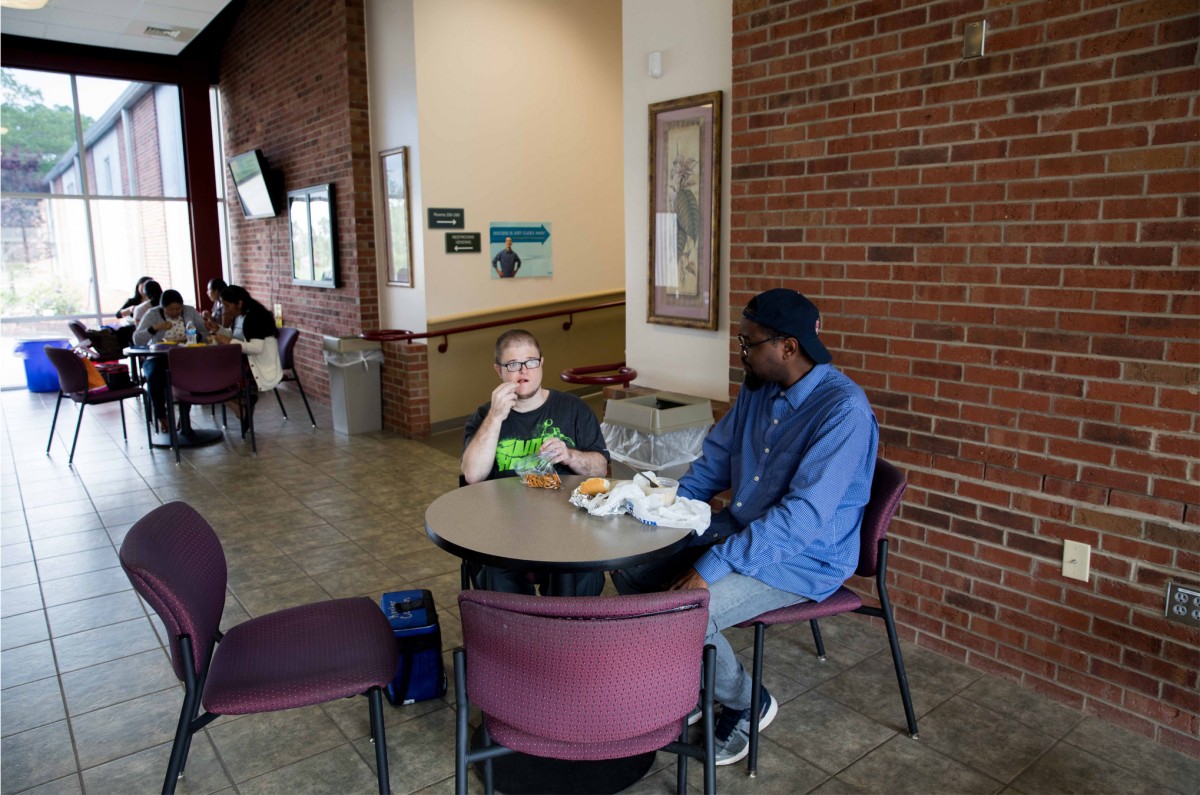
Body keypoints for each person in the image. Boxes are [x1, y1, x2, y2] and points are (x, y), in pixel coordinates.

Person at [614, 289, 879, 766]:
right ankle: (695, 683)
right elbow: (714, 461)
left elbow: (802, 520)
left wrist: (711, 565)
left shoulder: (844, 412)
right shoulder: (758, 388)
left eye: (748, 343)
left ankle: (746, 701)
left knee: (686, 611)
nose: (741, 353)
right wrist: (668, 515)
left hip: (804, 557)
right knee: (632, 570)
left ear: (788, 347)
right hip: (741, 528)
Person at [461, 328, 609, 596]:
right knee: (496, 574)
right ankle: (520, 636)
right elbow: (472, 475)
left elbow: (601, 468)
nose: (523, 372)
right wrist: (495, 417)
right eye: (513, 365)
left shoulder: (573, 409)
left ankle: (569, 634)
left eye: (530, 362)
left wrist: (570, 455)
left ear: (541, 363)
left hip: (568, 523)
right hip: (504, 529)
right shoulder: (484, 416)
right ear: (499, 371)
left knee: (582, 572)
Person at [132, 289, 207, 434]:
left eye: (178, 308)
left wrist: (193, 336)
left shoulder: (189, 311)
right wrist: (154, 328)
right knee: (154, 375)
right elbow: (137, 339)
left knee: (189, 377)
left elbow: (205, 331)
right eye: (170, 309)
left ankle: (184, 417)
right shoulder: (153, 314)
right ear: (163, 308)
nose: (175, 312)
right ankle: (161, 415)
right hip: (158, 356)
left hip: (184, 356)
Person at [210, 285, 282, 421]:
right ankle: (244, 404)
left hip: (259, 363)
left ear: (239, 303)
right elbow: (237, 336)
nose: (225, 310)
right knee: (211, 372)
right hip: (248, 359)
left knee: (214, 375)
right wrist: (219, 329)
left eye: (227, 305)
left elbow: (256, 348)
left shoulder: (255, 317)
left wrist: (228, 341)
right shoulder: (242, 314)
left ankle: (242, 405)